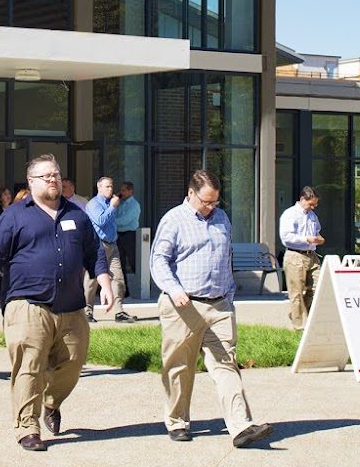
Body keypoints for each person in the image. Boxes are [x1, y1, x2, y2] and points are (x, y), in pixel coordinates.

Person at [0, 154, 113, 452]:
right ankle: (27, 427)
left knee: (74, 362)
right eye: (46, 176)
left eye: (56, 175)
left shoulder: (77, 214)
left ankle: (51, 402)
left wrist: (104, 281)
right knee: (29, 366)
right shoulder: (15, 216)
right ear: (32, 182)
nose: (53, 180)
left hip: (71, 306)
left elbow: (94, 252)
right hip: (27, 303)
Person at [150, 169, 272, 447]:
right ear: (191, 193)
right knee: (179, 367)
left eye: (215, 202)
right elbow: (159, 260)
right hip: (184, 305)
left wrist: (229, 294)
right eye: (206, 202)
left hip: (219, 306)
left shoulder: (221, 219)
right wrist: (174, 288)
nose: (210, 207)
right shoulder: (173, 220)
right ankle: (177, 421)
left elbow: (224, 258)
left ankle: (241, 426)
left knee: (226, 365)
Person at [83, 176, 132, 321]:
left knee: (118, 279)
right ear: (99, 188)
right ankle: (87, 311)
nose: (111, 189)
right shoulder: (93, 204)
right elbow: (100, 221)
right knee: (92, 279)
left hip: (112, 244)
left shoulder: (111, 203)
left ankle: (119, 311)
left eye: (111, 186)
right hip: (98, 245)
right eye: (107, 186)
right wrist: (112, 207)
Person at [278, 186, 324, 332]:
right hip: (295, 255)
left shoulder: (312, 216)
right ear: (303, 199)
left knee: (318, 287)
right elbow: (286, 237)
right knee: (296, 292)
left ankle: (306, 316)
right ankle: (299, 326)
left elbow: (317, 231)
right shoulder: (290, 214)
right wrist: (307, 239)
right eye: (311, 204)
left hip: (312, 256)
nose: (313, 207)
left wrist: (318, 239)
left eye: (315, 205)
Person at [113, 180, 141, 283]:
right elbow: (113, 214)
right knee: (120, 262)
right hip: (119, 235)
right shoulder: (120, 203)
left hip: (129, 235)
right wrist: (114, 203)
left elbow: (125, 220)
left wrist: (110, 223)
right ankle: (124, 288)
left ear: (130, 191)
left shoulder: (134, 205)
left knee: (133, 260)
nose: (121, 192)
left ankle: (143, 283)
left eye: (123, 190)